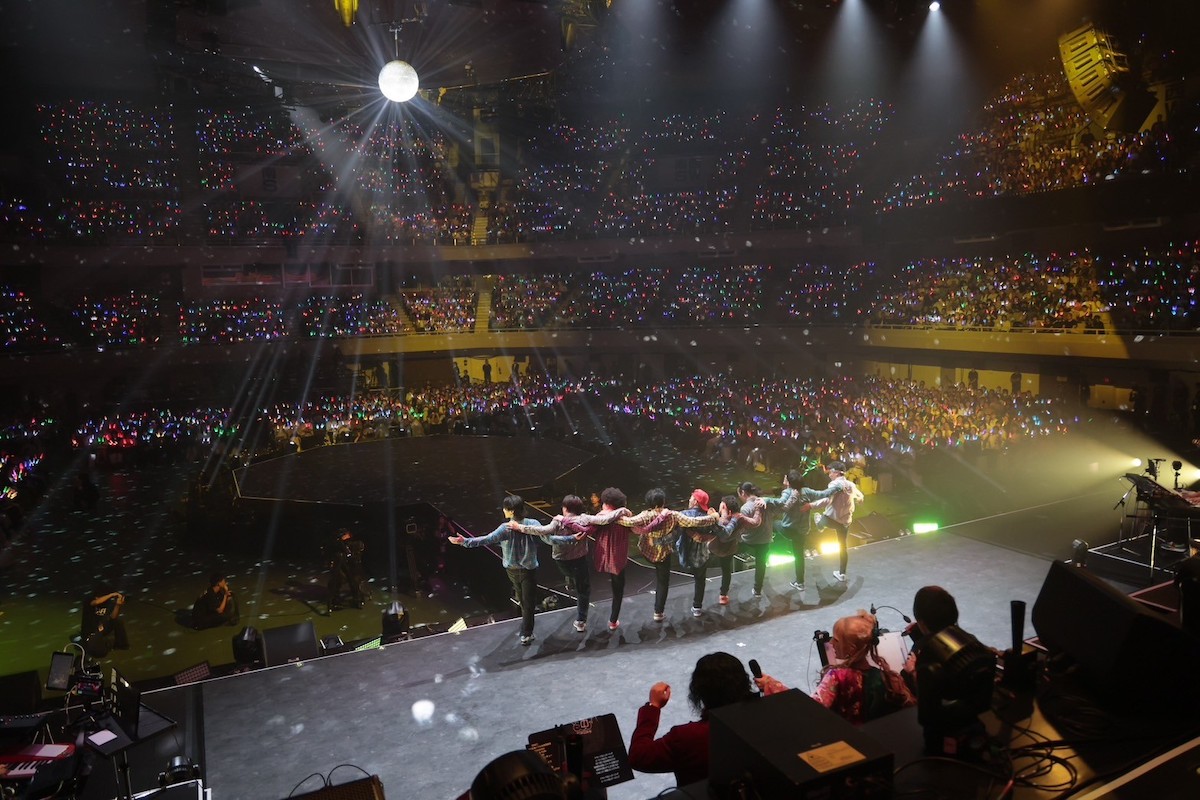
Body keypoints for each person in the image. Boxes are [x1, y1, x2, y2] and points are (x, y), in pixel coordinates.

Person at [628, 651, 787, 787]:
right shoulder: (773, 719)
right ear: (745, 682)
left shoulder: (688, 738)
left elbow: (639, 756)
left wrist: (653, 706)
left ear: (698, 692)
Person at [451, 495, 544, 645]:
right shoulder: (533, 524)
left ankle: (526, 633)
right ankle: (527, 630)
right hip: (526, 570)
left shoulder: (505, 528)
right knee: (525, 601)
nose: (503, 510)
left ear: (511, 511)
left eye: (505, 508)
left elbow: (486, 539)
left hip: (515, 570)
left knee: (525, 602)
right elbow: (547, 535)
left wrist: (465, 542)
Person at [812, 610, 914, 725]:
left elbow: (812, 711)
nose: (830, 642)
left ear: (851, 649)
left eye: (836, 640)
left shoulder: (837, 676)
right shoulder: (887, 677)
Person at [508, 494, 593, 632]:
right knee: (583, 591)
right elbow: (604, 519)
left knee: (570, 575)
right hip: (579, 560)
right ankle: (581, 621)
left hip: (562, 561)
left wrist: (520, 527)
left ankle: (570, 580)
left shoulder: (558, 521)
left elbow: (542, 531)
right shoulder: (585, 520)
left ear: (565, 508)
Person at [758, 470, 840, 593]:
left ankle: (765, 539)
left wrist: (765, 499)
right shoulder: (807, 491)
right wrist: (837, 487)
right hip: (802, 530)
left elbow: (780, 503)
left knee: (773, 523)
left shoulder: (788, 492)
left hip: (788, 529)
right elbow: (824, 493)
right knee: (799, 556)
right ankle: (800, 583)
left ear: (789, 482)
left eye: (786, 479)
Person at [571, 487, 632, 631]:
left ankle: (581, 620)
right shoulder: (625, 516)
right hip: (618, 558)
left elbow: (588, 530)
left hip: (603, 557)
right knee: (618, 589)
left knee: (585, 586)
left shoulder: (599, 517)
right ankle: (613, 621)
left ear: (605, 502)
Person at [808, 460, 864, 583]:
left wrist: (811, 505)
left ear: (837, 473)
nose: (829, 475)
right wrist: (860, 499)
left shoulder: (834, 485)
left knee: (819, 518)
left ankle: (819, 523)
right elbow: (860, 495)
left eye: (831, 472)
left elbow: (826, 500)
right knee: (843, 547)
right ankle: (842, 574)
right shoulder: (850, 484)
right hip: (845, 521)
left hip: (832, 519)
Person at [901, 585, 960, 691]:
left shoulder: (922, 651)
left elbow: (916, 688)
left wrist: (911, 671)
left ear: (922, 622)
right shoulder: (965, 638)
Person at [674, 489, 721, 617]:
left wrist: (691, 533)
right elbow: (718, 532)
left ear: (695, 501)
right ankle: (697, 607)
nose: (689, 500)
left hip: (685, 554)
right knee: (700, 580)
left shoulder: (682, 515)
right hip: (701, 555)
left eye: (691, 498)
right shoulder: (710, 517)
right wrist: (703, 536)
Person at [733, 482, 770, 598]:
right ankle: (757, 590)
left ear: (743, 493)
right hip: (766, 539)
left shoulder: (745, 508)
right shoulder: (765, 502)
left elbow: (744, 529)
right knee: (761, 564)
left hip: (750, 541)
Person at [326, 528, 369, 611]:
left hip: (351, 566)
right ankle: (335, 599)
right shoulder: (336, 545)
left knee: (354, 581)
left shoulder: (354, 544)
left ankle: (357, 599)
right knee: (337, 580)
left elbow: (356, 558)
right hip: (341, 564)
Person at [82, 587, 128, 658]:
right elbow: (96, 602)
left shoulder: (108, 603)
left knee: (118, 622)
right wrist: (111, 595)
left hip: (102, 627)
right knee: (97, 650)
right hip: (90, 630)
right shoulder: (89, 601)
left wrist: (117, 605)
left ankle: (120, 645)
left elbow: (113, 617)